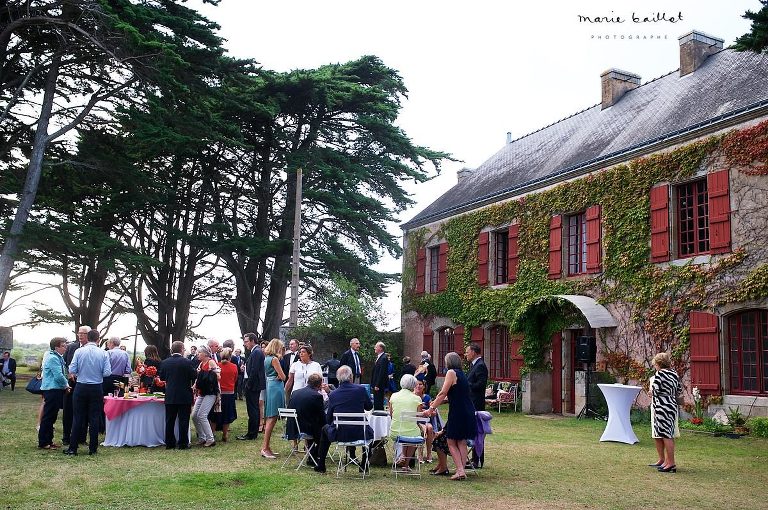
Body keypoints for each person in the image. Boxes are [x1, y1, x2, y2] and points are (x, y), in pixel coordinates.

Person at [424, 352, 475, 480]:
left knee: (451, 440)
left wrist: (431, 408)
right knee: (461, 442)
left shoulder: (451, 372)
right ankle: (461, 470)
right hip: (468, 410)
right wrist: (444, 400)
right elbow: (455, 393)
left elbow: (442, 392)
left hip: (457, 411)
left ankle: (460, 470)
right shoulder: (462, 374)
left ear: (449, 362)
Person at [313, 365, 374, 474]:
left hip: (340, 434)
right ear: (351, 377)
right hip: (360, 433)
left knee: (324, 429)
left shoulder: (333, 394)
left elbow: (328, 418)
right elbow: (369, 407)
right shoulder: (360, 390)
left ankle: (321, 463)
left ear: (338, 378)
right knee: (371, 432)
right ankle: (364, 463)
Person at [64, 328, 110, 456]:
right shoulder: (103, 353)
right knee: (94, 418)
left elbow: (72, 369)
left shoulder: (79, 351)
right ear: (98, 339)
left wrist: (80, 373)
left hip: (81, 386)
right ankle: (93, 449)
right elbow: (107, 372)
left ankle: (73, 448)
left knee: (78, 417)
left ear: (87, 338)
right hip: (96, 387)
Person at [159, 340, 197, 449]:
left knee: (169, 420)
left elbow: (162, 378)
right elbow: (193, 375)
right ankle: (183, 443)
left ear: (172, 350)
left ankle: (170, 443)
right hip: (184, 394)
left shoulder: (165, 362)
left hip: (170, 394)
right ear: (181, 349)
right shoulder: (187, 362)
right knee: (183, 420)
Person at [650, 352, 682, 473]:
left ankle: (671, 463)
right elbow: (678, 390)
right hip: (672, 405)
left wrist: (651, 392)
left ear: (658, 364)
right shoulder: (674, 374)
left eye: (655, 365)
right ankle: (668, 461)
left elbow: (655, 391)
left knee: (665, 435)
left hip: (662, 406)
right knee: (669, 434)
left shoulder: (660, 374)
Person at [388, 374, 424, 470]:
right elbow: (418, 416)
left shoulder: (393, 396)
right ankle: (406, 464)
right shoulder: (417, 399)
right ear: (413, 385)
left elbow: (391, 414)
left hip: (395, 432)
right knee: (413, 434)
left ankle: (403, 457)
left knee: (406, 432)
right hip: (411, 432)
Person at [38, 338, 69, 449]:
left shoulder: (57, 357)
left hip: (55, 389)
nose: (65, 348)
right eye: (63, 346)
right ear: (56, 347)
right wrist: (66, 385)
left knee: (52, 416)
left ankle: (49, 440)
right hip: (52, 389)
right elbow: (58, 375)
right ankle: (43, 442)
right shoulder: (52, 358)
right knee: (48, 416)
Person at [288, 373, 326, 464]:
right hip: (305, 429)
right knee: (325, 432)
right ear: (319, 384)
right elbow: (322, 416)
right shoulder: (317, 396)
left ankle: (311, 456)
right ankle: (314, 455)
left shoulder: (295, 392)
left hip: (292, 428)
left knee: (313, 424)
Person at [62, 325, 89, 445]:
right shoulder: (72, 347)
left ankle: (81, 438)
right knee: (68, 410)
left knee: (83, 411)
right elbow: (64, 363)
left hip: (85, 383)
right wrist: (69, 373)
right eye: (79, 333)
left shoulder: (91, 349)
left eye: (83, 333)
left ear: (89, 335)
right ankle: (66, 437)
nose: (80, 335)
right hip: (71, 383)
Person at [260, 338, 287, 459]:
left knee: (271, 416)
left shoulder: (266, 358)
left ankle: (267, 447)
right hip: (275, 388)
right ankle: (265, 448)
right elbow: (283, 376)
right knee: (272, 417)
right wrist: (280, 376)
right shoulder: (274, 359)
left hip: (271, 386)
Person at [237, 333, 265, 441]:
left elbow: (255, 370)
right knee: (253, 408)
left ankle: (252, 433)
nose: (245, 344)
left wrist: (248, 384)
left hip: (253, 385)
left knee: (252, 409)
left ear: (253, 340)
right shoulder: (255, 351)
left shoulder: (257, 351)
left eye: (246, 341)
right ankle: (252, 432)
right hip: (253, 384)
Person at [191, 346, 220, 447]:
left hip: (210, 392)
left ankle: (210, 438)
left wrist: (209, 373)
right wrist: (195, 385)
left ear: (205, 354)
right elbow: (198, 378)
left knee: (202, 415)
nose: (198, 354)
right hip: (202, 392)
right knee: (194, 415)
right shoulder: (200, 363)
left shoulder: (211, 362)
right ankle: (202, 437)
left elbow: (218, 376)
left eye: (199, 353)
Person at [465, 341, 488, 467]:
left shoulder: (480, 366)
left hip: (476, 404)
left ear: (473, 352)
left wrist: (466, 384)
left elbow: (480, 385)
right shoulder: (474, 365)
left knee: (477, 432)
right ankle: (474, 459)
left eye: (467, 352)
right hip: (471, 403)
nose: (466, 354)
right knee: (474, 432)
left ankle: (477, 460)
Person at [214, 347, 238, 442]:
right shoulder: (234, 367)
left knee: (215, 414)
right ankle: (225, 434)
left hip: (219, 393)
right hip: (229, 393)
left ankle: (212, 433)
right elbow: (235, 379)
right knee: (227, 414)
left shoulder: (217, 365)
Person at [414, 379, 436, 462]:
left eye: (420, 384)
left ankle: (429, 453)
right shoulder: (413, 397)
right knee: (423, 429)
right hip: (415, 421)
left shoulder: (427, 397)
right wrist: (422, 412)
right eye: (416, 384)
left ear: (424, 386)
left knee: (429, 427)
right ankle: (420, 454)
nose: (418, 386)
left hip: (426, 420)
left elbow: (433, 412)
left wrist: (429, 412)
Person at [370, 341, 389, 410]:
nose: (374, 348)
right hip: (376, 384)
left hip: (379, 385)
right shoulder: (380, 357)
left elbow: (382, 372)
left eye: (376, 346)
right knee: (376, 401)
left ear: (381, 348)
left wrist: (377, 384)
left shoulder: (383, 358)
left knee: (378, 401)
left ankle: (378, 415)